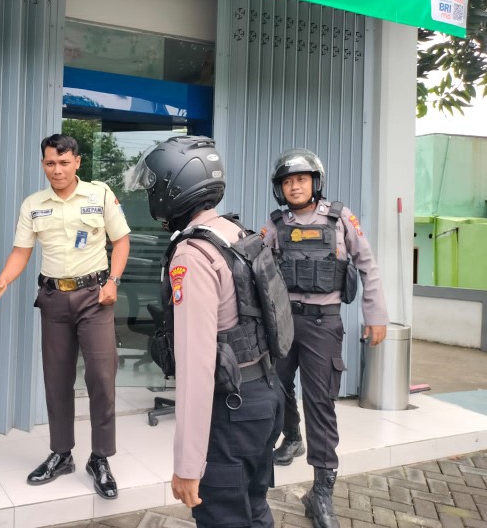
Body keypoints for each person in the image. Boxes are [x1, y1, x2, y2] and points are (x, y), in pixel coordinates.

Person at [127, 135, 284, 527]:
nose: (151, 195)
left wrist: (188, 465)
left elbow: (196, 367)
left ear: (174, 187)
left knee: (224, 517)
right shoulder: (235, 233)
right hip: (264, 396)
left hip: (230, 411)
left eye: (154, 186)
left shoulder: (192, 254)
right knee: (254, 509)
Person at [0, 133, 130, 499]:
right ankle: (61, 454)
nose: (57, 169)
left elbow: (121, 240)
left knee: (101, 377)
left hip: (95, 297)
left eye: (64, 162)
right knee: (57, 380)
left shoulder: (100, 195)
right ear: (43, 164)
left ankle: (100, 458)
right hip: (53, 299)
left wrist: (113, 281)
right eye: (50, 163)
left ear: (77, 162)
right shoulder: (34, 204)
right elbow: (21, 251)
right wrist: (1, 282)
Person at [260, 148, 389, 528]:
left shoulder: (339, 218)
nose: (294, 186)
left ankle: (321, 492)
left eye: (301, 179)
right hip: (284, 322)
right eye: (287, 181)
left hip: (323, 323)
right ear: (280, 189)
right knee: (275, 389)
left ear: (315, 182)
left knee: (320, 403)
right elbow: (255, 265)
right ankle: (291, 436)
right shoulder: (275, 224)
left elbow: (368, 266)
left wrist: (375, 315)